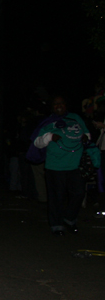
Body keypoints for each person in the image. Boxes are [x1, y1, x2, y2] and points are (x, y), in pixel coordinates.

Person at [32, 96, 93, 236]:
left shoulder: (75, 118)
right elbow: (37, 143)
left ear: (66, 105)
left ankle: (69, 218)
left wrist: (85, 137)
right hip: (55, 166)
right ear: (51, 107)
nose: (59, 106)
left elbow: (87, 135)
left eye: (61, 103)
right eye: (55, 104)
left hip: (75, 164)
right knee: (57, 197)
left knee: (79, 193)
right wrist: (49, 137)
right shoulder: (48, 122)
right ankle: (57, 225)